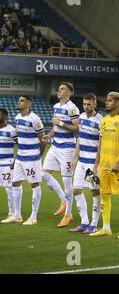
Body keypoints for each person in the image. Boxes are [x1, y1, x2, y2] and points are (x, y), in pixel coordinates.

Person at [89, 92, 119, 239]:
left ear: (118, 103)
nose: (106, 103)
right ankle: (106, 227)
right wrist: (96, 165)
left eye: (109, 101)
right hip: (104, 166)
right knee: (104, 195)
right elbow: (100, 144)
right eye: (107, 100)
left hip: (118, 167)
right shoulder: (103, 121)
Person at [42, 82, 80, 227]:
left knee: (66, 181)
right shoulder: (56, 106)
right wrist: (49, 136)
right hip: (55, 145)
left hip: (67, 149)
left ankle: (68, 214)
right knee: (44, 174)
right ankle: (64, 200)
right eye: (59, 88)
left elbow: (76, 127)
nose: (59, 90)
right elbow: (54, 125)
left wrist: (61, 123)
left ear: (69, 92)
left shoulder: (72, 108)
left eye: (63, 89)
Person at [68, 94, 103, 234]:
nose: (86, 107)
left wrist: (96, 166)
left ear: (94, 104)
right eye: (84, 104)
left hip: (92, 163)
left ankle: (94, 224)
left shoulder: (100, 120)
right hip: (81, 162)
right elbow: (79, 140)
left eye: (89, 104)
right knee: (76, 190)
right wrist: (75, 158)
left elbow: (101, 145)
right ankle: (84, 222)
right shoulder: (81, 117)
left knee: (94, 191)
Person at [7, 96, 46, 225]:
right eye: (18, 100)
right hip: (20, 156)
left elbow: (42, 139)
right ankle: (17, 215)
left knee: (34, 184)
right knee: (15, 183)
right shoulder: (17, 117)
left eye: (22, 100)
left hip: (32, 156)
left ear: (29, 103)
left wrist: (38, 156)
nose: (19, 102)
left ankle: (33, 217)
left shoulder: (35, 118)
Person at [0, 109, 17, 222]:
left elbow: (22, 144)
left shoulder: (12, 130)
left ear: (5, 116)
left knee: (8, 188)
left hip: (7, 162)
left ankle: (12, 213)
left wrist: (17, 160)